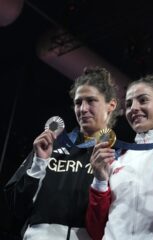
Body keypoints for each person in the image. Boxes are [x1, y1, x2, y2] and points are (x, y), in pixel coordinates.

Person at [4, 66, 119, 239]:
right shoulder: (50, 146)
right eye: (78, 102)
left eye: (91, 101)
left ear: (111, 105)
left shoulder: (119, 156)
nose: (83, 109)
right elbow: (14, 206)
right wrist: (38, 164)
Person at [86, 75, 153, 240]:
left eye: (143, 100)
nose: (133, 108)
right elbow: (95, 229)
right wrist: (99, 180)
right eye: (128, 104)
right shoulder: (116, 160)